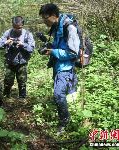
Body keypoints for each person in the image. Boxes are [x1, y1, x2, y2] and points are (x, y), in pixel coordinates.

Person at [39, 3, 80, 134]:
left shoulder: (70, 28)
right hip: (58, 66)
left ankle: (64, 121)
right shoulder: (57, 27)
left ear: (54, 15)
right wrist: (49, 47)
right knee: (59, 93)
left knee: (58, 94)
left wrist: (53, 52)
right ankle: (63, 111)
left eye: (45, 18)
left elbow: (72, 52)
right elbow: (58, 46)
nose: (44, 21)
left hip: (66, 67)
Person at [0, 15, 35, 104]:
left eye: (19, 28)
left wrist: (22, 44)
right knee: (7, 80)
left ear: (23, 25)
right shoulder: (8, 33)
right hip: (10, 62)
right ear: (12, 25)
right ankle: (6, 96)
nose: (17, 30)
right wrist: (6, 43)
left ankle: (22, 98)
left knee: (22, 81)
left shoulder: (27, 34)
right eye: (15, 27)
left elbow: (32, 48)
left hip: (22, 62)